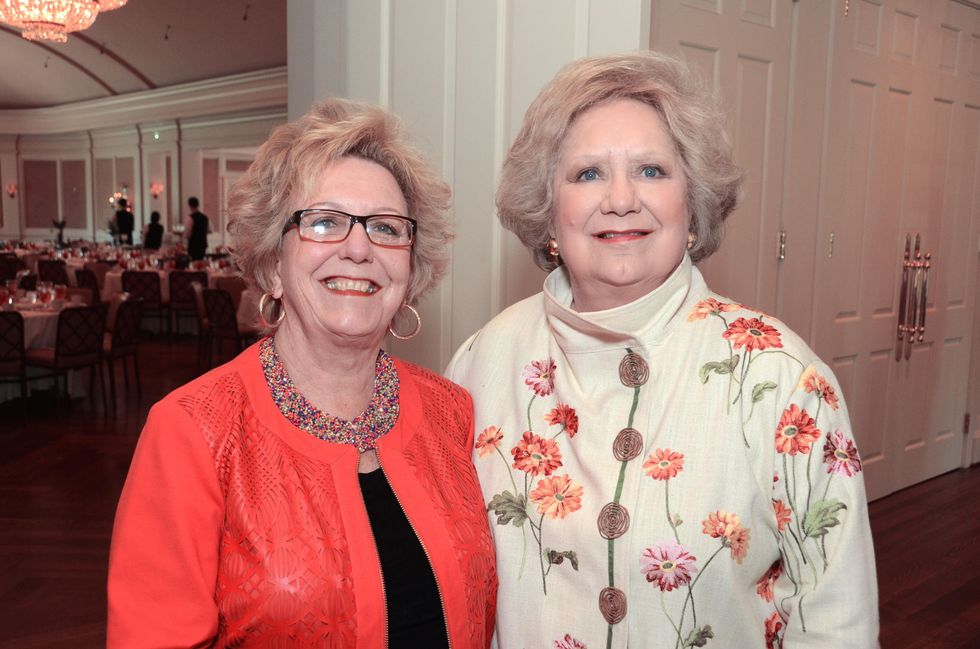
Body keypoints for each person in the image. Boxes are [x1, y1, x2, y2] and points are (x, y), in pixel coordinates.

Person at [446, 51, 878, 649]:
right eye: (587, 174)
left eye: (651, 170)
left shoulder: (783, 378)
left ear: (693, 205)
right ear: (548, 211)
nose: (621, 199)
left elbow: (836, 624)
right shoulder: (481, 363)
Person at [108, 99, 497, 647]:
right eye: (324, 222)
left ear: (410, 271)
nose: (359, 248)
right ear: (272, 264)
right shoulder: (192, 431)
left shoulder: (452, 410)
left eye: (386, 228)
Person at [184, 196, 209, 260]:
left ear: (190, 205)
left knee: (193, 264)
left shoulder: (190, 217)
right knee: (201, 262)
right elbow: (210, 230)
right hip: (203, 245)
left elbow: (187, 234)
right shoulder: (205, 217)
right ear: (198, 205)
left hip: (193, 246)